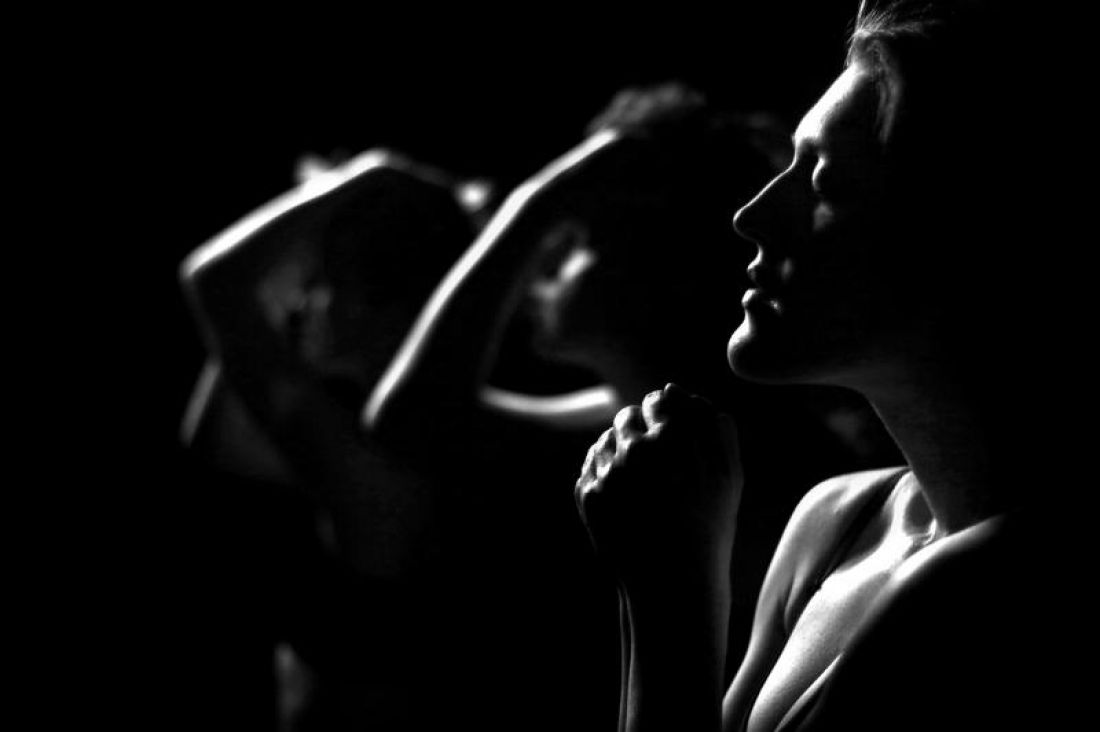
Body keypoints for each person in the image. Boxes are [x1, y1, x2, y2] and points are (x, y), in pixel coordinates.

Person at [574, 2, 1071, 729]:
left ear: (961, 231)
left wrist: (668, 592)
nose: (753, 215)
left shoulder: (1001, 583)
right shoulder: (835, 520)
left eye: (825, 182)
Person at [365, 85, 897, 729]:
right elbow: (410, 419)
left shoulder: (733, 461)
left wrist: (536, 203)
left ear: (654, 263)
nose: (545, 269)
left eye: (577, 242)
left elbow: (412, 418)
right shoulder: (645, 431)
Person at [180, 150, 480, 729]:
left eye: (324, 282)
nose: (306, 303)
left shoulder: (387, 458)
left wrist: (362, 176)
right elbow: (217, 440)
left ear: (378, 304)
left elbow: (217, 282)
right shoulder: (386, 437)